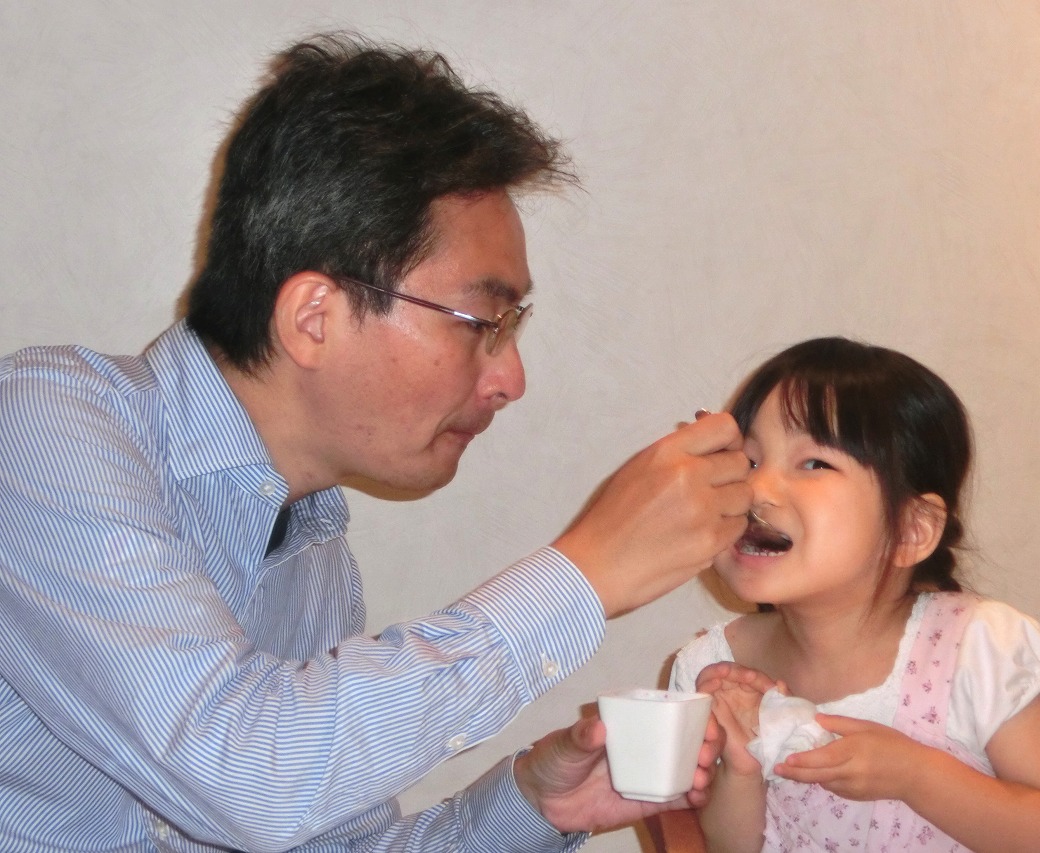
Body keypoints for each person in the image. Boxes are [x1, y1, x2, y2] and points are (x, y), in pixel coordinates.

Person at [0, 34, 749, 852]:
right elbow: (244, 772)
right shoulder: (42, 426)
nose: (511, 378)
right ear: (314, 317)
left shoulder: (314, 552)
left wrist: (534, 805)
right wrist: (587, 571)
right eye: (483, 322)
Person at [669, 337, 1040, 852]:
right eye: (750, 460)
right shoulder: (711, 668)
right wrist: (739, 769)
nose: (756, 490)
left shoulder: (974, 649)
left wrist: (914, 775)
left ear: (911, 530)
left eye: (814, 463)